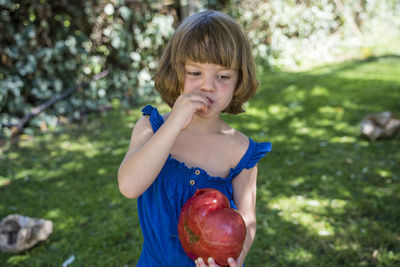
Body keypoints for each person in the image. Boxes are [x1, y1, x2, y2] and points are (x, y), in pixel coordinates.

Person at [118, 10, 271, 267]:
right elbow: (129, 186)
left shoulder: (241, 151)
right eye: (194, 73)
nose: (207, 86)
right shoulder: (151, 128)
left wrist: (237, 258)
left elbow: (247, 221)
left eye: (222, 76)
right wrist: (174, 123)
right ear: (176, 73)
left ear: (238, 81)